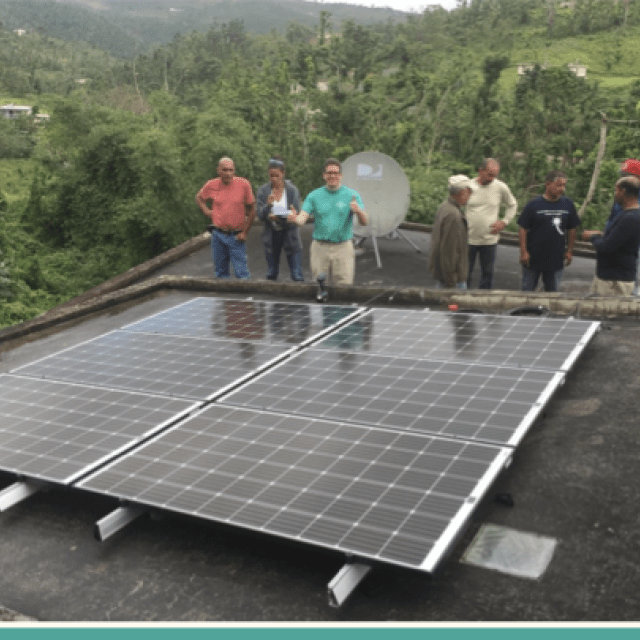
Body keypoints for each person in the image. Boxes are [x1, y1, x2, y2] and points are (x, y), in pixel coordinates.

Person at [290, 158, 368, 285]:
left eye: (335, 173)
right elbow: (302, 219)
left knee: (344, 287)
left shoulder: (352, 195)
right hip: (320, 248)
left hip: (343, 247)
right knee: (320, 285)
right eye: (329, 173)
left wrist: (358, 211)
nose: (332, 176)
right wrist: (294, 219)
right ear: (324, 175)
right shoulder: (314, 196)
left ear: (340, 176)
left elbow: (365, 221)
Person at [517, 170, 580, 292]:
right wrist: (523, 251)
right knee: (527, 291)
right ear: (548, 184)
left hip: (555, 260)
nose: (562, 189)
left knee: (552, 294)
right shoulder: (533, 204)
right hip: (533, 259)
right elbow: (523, 228)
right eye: (558, 185)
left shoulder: (568, 204)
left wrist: (570, 251)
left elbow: (572, 229)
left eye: (564, 185)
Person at [195, 157, 255, 279]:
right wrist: (207, 211)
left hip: (236, 235)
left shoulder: (243, 184)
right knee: (221, 273)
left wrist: (245, 232)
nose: (228, 173)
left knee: (241, 273)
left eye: (231, 170)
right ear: (218, 170)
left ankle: (246, 297)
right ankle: (224, 298)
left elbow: (252, 208)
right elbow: (199, 197)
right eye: (225, 170)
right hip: (218, 234)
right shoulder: (211, 184)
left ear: (234, 171)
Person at [583, 176, 640, 296]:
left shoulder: (630, 218)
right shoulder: (628, 213)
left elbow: (606, 246)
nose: (615, 193)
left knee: (603, 314)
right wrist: (600, 234)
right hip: (612, 277)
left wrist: (592, 237)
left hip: (615, 282)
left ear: (622, 191)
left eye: (616, 190)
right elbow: (620, 239)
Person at [466, 158, 518, 289]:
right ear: (480, 171)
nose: (492, 178)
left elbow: (512, 204)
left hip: (489, 240)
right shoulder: (468, 186)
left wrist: (504, 221)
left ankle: (483, 300)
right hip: (468, 239)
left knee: (488, 273)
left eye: (495, 175)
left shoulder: (500, 187)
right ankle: (463, 299)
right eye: (489, 175)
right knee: (465, 273)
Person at [255, 156, 304, 281]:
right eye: (271, 176)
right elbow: (260, 214)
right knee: (271, 273)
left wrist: (276, 215)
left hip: (290, 232)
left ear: (283, 173)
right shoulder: (263, 191)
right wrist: (269, 206)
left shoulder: (292, 190)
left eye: (277, 175)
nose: (274, 179)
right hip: (271, 234)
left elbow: (295, 212)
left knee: (297, 275)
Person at [428, 175, 475, 289]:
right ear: (462, 192)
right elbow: (450, 251)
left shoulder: (445, 207)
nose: (470, 194)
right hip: (453, 278)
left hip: (444, 275)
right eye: (469, 191)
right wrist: (451, 281)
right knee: (453, 306)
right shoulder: (454, 216)